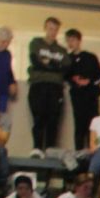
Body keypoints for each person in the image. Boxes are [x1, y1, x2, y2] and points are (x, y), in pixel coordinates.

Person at [27, 18, 69, 150]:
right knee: (38, 118)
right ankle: (37, 148)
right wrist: (55, 66)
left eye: (55, 29)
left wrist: (48, 63)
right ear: (45, 28)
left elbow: (65, 68)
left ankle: (51, 149)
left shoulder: (62, 50)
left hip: (56, 88)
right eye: (50, 29)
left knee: (53, 120)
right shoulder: (36, 43)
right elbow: (36, 62)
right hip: (38, 85)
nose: (53, 32)